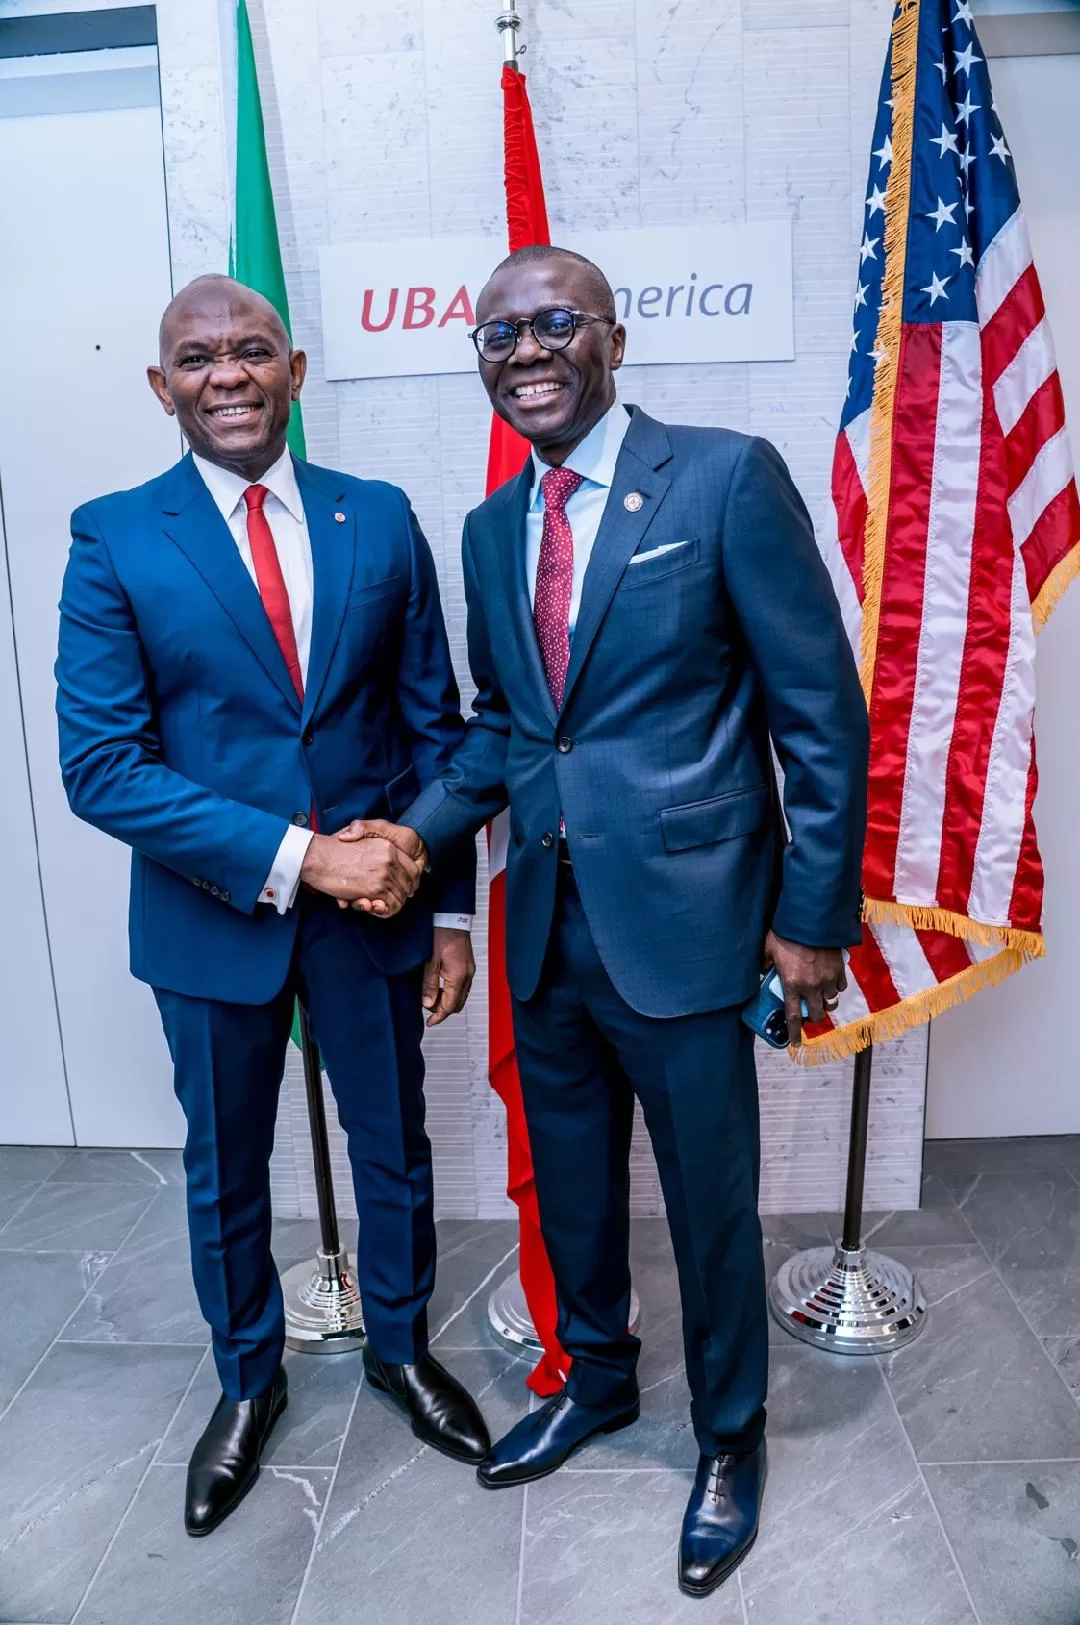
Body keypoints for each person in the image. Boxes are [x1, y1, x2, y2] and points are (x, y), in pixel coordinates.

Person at [344, 245, 869, 1597]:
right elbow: (512, 730)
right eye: (500, 332)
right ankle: (601, 1384)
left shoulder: (724, 474)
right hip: (549, 931)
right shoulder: (488, 530)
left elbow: (819, 708)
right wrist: (411, 834)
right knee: (577, 1193)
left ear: (614, 340)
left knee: (708, 1204)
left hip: (695, 929)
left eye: (553, 323)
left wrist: (812, 915)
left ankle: (732, 1440)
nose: (525, 349)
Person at [55, 275, 491, 1539]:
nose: (228, 374)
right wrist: (307, 856)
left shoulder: (381, 518)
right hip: (213, 919)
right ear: (162, 385)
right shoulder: (114, 535)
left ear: (296, 369)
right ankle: (249, 1382)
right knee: (224, 1166)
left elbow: (435, 730)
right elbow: (104, 767)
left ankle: (403, 1352)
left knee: (393, 1147)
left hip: (382, 919)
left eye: (252, 351)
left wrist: (447, 906)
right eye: (199, 357)